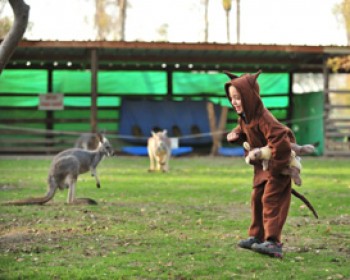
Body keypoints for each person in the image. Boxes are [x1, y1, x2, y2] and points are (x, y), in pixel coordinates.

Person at [224, 70, 296, 258]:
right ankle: (257, 236)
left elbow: (280, 138)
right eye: (232, 98)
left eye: (238, 98)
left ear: (249, 96)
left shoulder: (264, 117)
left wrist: (277, 167)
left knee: (271, 201)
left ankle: (273, 241)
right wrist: (237, 135)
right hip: (261, 169)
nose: (234, 102)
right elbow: (243, 129)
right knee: (257, 198)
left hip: (277, 167)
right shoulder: (245, 117)